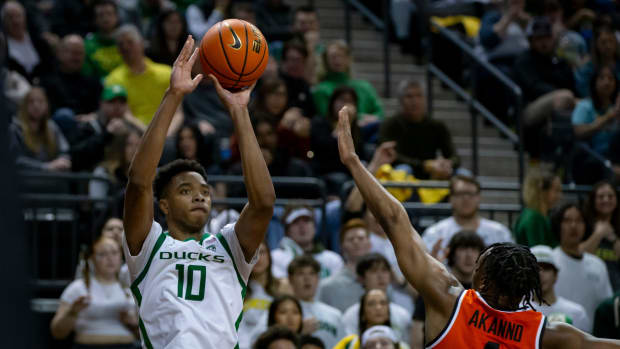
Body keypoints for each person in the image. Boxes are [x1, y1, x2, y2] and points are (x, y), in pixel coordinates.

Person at [335, 104, 620, 348]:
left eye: (479, 264)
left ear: (482, 278)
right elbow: (596, 345)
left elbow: (395, 218)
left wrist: (354, 163)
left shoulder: (447, 299)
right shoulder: (548, 334)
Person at [121, 36, 275, 348]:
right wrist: (173, 95)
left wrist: (239, 112)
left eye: (205, 191)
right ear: (163, 204)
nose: (200, 196)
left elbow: (263, 203)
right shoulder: (149, 245)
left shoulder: (230, 247)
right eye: (186, 190)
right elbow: (138, 182)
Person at [50, 236, 138, 347]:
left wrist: (133, 325)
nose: (110, 258)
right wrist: (72, 312)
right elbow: (57, 333)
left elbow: (147, 335)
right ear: (92, 259)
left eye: (114, 253)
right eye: (102, 254)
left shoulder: (130, 289)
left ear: (121, 256)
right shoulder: (78, 288)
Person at [513, 16, 577, 159]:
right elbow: (534, 87)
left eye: (546, 38)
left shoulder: (559, 60)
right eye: (539, 38)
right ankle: (555, 138)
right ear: (531, 40)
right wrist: (561, 93)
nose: (543, 42)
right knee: (564, 96)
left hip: (559, 106)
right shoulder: (524, 60)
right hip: (528, 110)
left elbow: (571, 84)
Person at [411, 231, 485, 349]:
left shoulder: (488, 291)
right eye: (463, 249)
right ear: (451, 254)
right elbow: (418, 327)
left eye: (474, 249)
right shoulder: (436, 287)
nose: (469, 255)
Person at [105, 24, 181, 132]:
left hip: (168, 131)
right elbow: (124, 114)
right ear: (117, 50)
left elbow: (178, 112)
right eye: (121, 44)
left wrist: (167, 135)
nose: (125, 47)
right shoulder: (113, 79)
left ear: (141, 43)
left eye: (130, 42)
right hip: (134, 132)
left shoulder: (166, 73)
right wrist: (149, 135)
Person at [378, 79, 458, 180]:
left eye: (419, 96)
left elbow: (454, 156)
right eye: (409, 96)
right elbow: (390, 156)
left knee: (463, 174)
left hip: (433, 170)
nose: (414, 101)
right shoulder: (389, 125)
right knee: (403, 170)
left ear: (425, 99)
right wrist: (424, 165)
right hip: (404, 171)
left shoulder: (437, 125)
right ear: (401, 100)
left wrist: (448, 164)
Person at [551, 203, 613, 328]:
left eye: (579, 220)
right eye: (567, 220)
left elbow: (606, 304)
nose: (573, 225)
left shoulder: (598, 265)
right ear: (558, 225)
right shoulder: (550, 262)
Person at [422, 175, 513, 253]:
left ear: (479, 197)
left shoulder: (499, 232)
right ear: (450, 198)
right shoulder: (435, 233)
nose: (466, 198)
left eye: (470, 193)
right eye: (460, 193)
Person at [342, 253, 411, 343]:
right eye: (373, 271)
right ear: (361, 278)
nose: (380, 276)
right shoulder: (351, 315)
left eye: (384, 270)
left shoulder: (403, 314)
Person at [312, 40, 384, 124]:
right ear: (326, 60)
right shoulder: (321, 90)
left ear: (348, 59)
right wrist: (360, 118)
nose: (338, 60)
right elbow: (328, 118)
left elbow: (380, 113)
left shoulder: (365, 86)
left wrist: (371, 119)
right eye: (333, 56)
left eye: (341, 56)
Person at [571, 65, 620, 183]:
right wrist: (609, 117)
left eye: (610, 78)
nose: (607, 82)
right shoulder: (584, 106)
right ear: (594, 82)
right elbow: (578, 132)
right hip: (591, 159)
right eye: (602, 78)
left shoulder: (617, 108)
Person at [9, 87, 72, 172]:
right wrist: (45, 167)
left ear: (46, 105)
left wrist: (63, 161)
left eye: (40, 102)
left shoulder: (52, 127)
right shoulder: (15, 128)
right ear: (24, 106)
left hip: (51, 177)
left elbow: (64, 151)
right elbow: (15, 159)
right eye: (31, 102)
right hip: (25, 178)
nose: (36, 105)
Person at [271, 205, 343, 279]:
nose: (302, 226)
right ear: (286, 231)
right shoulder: (276, 257)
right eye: (295, 222)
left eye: (306, 221)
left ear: (315, 228)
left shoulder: (332, 258)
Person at [287, 255, 344, 349]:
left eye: (312, 273)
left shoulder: (334, 315)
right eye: (301, 274)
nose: (307, 278)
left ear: (318, 278)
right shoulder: (281, 311)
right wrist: (298, 334)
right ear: (290, 279)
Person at [530, 245, 591, 332]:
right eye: (535, 269)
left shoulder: (577, 313)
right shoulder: (516, 312)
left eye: (546, 268)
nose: (540, 274)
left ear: (556, 275)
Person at [239, 242, 287, 349]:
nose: (258, 258)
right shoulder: (237, 288)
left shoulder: (284, 287)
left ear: (269, 256)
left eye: (262, 252)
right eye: (253, 254)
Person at [317, 218, 371, 312]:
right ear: (341, 247)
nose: (356, 242)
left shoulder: (382, 281)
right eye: (350, 239)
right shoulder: (328, 286)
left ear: (369, 244)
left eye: (361, 238)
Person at [335, 290, 409, 349]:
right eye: (371, 304)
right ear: (362, 313)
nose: (378, 308)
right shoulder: (349, 344)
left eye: (383, 303)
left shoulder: (401, 346)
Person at [2, 1, 55, 82]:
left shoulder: (38, 40)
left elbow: (51, 68)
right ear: (3, 20)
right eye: (10, 17)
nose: (15, 21)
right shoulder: (3, 46)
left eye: (18, 16)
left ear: (25, 17)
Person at [581, 181, 620, 291]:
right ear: (593, 200)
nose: (606, 200)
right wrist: (598, 234)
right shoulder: (582, 224)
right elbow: (578, 254)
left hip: (615, 290)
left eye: (610, 196)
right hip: (589, 287)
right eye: (601, 196)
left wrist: (613, 238)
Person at [514, 168, 563, 247]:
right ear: (542, 191)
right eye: (556, 190)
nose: (560, 196)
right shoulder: (534, 218)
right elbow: (539, 253)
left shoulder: (537, 215)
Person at [575, 23, 620, 98]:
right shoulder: (588, 67)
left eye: (611, 41)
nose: (608, 46)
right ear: (596, 45)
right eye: (603, 42)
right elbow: (583, 89)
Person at [83, 0, 123, 79]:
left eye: (109, 14)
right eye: (101, 15)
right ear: (95, 20)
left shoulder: (126, 41)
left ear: (117, 17)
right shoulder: (87, 45)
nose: (106, 19)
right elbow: (87, 75)